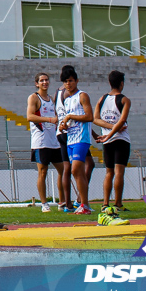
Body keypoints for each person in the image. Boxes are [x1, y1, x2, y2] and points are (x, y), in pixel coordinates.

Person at [56, 65, 94, 215]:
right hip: (70, 138)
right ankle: (84, 204)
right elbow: (69, 119)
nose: (68, 84)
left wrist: (71, 117)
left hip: (81, 138)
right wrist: (63, 126)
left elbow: (89, 116)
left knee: (76, 169)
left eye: (70, 81)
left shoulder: (82, 95)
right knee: (76, 172)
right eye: (65, 81)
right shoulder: (66, 100)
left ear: (76, 81)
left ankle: (83, 203)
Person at [27, 72, 64, 212]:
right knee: (43, 172)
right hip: (41, 141)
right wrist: (49, 120)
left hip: (53, 140)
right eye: (41, 80)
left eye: (46, 80)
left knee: (63, 170)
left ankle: (62, 201)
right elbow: (29, 116)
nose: (45, 82)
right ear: (37, 83)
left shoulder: (51, 99)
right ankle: (44, 203)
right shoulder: (34, 98)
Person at [94, 70, 131, 211]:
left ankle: (104, 204)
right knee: (119, 172)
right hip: (120, 140)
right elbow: (122, 121)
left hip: (107, 141)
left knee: (109, 172)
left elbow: (96, 119)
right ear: (122, 83)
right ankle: (118, 204)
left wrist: (108, 132)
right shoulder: (124, 100)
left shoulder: (101, 99)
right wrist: (112, 131)